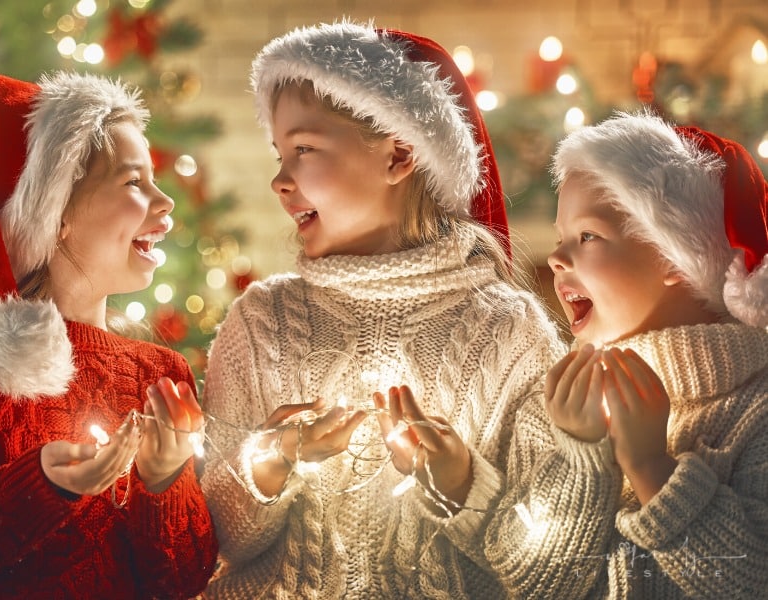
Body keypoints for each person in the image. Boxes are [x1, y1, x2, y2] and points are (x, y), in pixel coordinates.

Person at [199, 21, 571, 598]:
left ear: (398, 156)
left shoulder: (510, 331)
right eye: (279, 154)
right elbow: (217, 542)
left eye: (303, 149)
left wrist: (463, 485)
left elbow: (550, 560)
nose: (279, 179)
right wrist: (274, 458)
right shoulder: (260, 323)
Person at [0, 71, 218, 599]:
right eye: (134, 182)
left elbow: (182, 579)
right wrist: (46, 484)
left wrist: (163, 483)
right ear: (56, 213)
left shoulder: (163, 375)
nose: (165, 202)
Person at [497, 111, 767, 598]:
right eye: (560, 239)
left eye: (588, 236)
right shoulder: (556, 408)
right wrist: (582, 459)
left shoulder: (757, 412)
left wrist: (650, 468)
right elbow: (522, 580)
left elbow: (752, 581)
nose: (557, 257)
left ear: (672, 255)